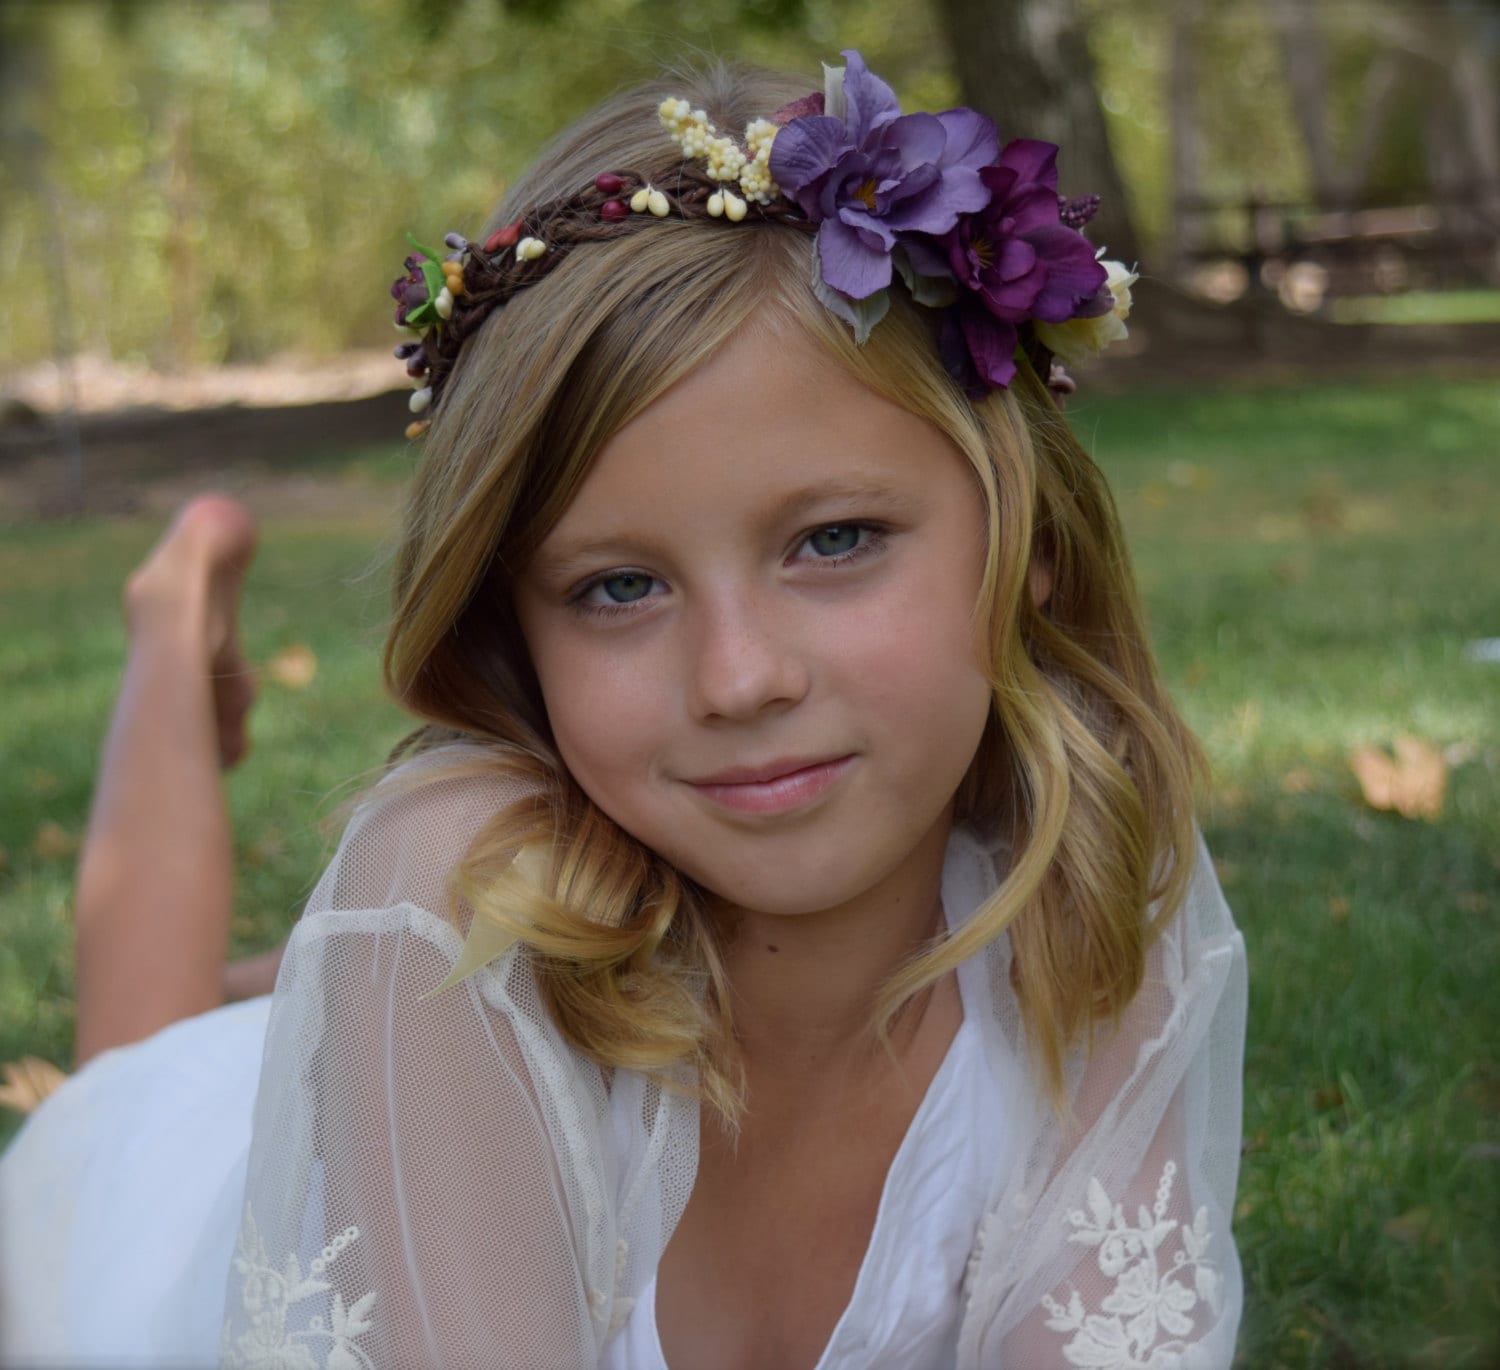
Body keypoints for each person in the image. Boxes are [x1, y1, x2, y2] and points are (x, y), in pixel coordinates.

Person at [0, 52, 1247, 1369]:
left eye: (834, 541)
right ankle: (174, 605)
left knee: (234, 1009)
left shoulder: (1090, 867)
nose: (738, 677)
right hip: (163, 1230)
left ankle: (295, 957)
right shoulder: (458, 890)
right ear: (513, 632)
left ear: (1028, 537)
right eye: (619, 584)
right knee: (130, 1066)